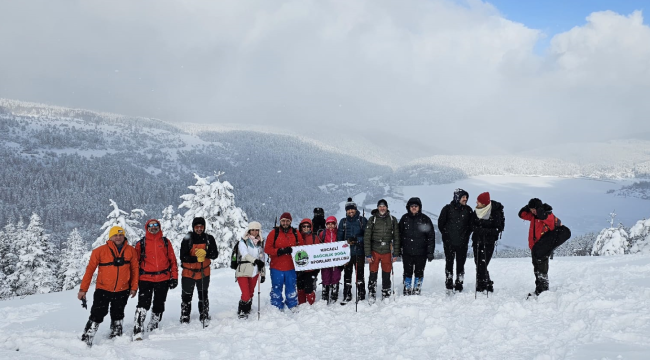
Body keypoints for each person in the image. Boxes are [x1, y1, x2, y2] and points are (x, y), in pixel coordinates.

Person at [78, 226, 138, 345]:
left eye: (120, 235)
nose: (118, 237)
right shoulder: (99, 251)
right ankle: (88, 336)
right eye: (115, 235)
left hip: (123, 289)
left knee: (118, 312)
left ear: (124, 236)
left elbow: (135, 269)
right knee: (97, 313)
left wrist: (134, 287)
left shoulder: (131, 251)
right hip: (103, 289)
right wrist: (83, 289)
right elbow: (90, 270)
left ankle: (116, 333)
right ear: (110, 237)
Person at [133, 219, 179, 340]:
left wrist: (174, 277)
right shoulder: (141, 243)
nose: (153, 227)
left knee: (159, 303)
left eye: (156, 225)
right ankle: (138, 328)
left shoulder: (165, 242)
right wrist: (134, 280)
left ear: (159, 227)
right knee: (143, 304)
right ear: (147, 228)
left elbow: (172, 261)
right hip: (145, 278)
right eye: (151, 226)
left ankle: (154, 324)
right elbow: (135, 263)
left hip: (163, 278)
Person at [179, 217, 218, 325]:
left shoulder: (209, 238)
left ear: (204, 227)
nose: (199, 229)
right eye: (197, 227)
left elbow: (215, 254)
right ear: (193, 227)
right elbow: (182, 256)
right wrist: (196, 258)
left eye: (201, 226)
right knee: (186, 295)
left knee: (203, 294)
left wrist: (206, 254)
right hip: (188, 272)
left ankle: (204, 313)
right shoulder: (187, 239)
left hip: (203, 272)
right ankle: (185, 315)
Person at [264, 212, 303, 312]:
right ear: (280, 221)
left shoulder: (295, 233)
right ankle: (276, 304)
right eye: (283, 221)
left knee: (291, 287)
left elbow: (302, 248)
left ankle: (292, 303)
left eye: (287, 221)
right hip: (276, 267)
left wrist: (294, 250)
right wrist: (279, 251)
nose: (285, 223)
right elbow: (267, 249)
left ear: (290, 222)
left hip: (291, 266)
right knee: (277, 287)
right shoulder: (274, 233)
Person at [364, 199, 400, 302]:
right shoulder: (372, 219)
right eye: (380, 206)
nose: (382, 208)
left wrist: (396, 253)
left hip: (387, 251)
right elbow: (367, 237)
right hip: (374, 250)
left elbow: (396, 238)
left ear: (387, 208)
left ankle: (386, 292)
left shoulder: (392, 220)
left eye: (384, 206)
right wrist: (368, 254)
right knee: (373, 273)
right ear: (377, 207)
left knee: (386, 273)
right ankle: (372, 293)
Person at [518, 198, 557, 296]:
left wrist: (541, 211)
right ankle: (539, 289)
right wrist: (528, 208)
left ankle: (543, 291)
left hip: (543, 247)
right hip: (535, 247)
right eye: (531, 210)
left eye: (534, 210)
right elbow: (521, 214)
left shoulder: (547, 215)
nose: (532, 212)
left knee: (542, 268)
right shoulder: (533, 216)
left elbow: (550, 223)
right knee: (536, 268)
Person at [398, 197, 435, 295]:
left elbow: (431, 236)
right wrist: (397, 249)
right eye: (412, 206)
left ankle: (417, 289)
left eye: (416, 206)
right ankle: (407, 289)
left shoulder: (425, 219)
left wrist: (430, 252)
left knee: (419, 272)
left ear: (419, 207)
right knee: (407, 272)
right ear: (408, 207)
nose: (414, 208)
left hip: (421, 253)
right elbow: (398, 235)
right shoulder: (404, 219)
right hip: (407, 252)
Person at [438, 188, 473, 292]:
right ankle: (449, 282)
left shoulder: (468, 210)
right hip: (449, 243)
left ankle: (459, 283)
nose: (465, 199)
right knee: (449, 263)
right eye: (463, 197)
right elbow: (441, 224)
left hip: (462, 243)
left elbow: (471, 226)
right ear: (457, 197)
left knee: (461, 263)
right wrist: (446, 236)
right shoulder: (447, 209)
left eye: (466, 197)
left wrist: (466, 236)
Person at [471, 192, 505, 293]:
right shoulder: (476, 210)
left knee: (483, 263)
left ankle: (484, 283)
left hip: (489, 242)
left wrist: (482, 229)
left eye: (479, 201)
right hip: (477, 240)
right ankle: (483, 283)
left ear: (484, 203)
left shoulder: (495, 212)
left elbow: (498, 228)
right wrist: (479, 229)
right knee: (478, 262)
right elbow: (471, 224)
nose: (476, 202)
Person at [338, 197, 368, 304]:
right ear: (346, 211)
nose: (350, 211)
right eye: (348, 210)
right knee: (347, 274)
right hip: (347, 254)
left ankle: (361, 294)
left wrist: (357, 240)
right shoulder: (343, 222)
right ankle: (347, 295)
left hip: (359, 252)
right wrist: (346, 243)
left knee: (360, 274)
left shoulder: (362, 220)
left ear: (355, 209)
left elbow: (367, 237)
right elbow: (339, 239)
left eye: (352, 209)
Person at [235, 221, 266, 319]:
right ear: (249, 230)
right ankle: (242, 310)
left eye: (256, 230)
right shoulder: (243, 241)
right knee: (246, 293)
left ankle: (247, 308)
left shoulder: (260, 242)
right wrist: (255, 260)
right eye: (252, 230)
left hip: (254, 271)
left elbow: (262, 258)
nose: (254, 232)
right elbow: (245, 254)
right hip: (243, 271)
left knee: (251, 292)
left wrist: (263, 273)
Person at [297, 218, 321, 305]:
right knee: (300, 286)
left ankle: (311, 302)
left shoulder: (314, 237)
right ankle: (301, 303)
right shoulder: (297, 236)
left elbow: (318, 252)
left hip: (310, 269)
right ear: (301, 227)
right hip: (299, 267)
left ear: (311, 227)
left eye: (308, 226)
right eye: (304, 226)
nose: (306, 228)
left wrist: (316, 269)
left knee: (308, 287)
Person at [319, 216, 342, 304]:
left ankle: (334, 292)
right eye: (328, 224)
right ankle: (325, 292)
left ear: (335, 224)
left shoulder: (339, 233)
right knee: (325, 275)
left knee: (336, 275)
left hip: (336, 259)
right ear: (326, 225)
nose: (330, 226)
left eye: (332, 224)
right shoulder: (323, 233)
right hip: (325, 259)